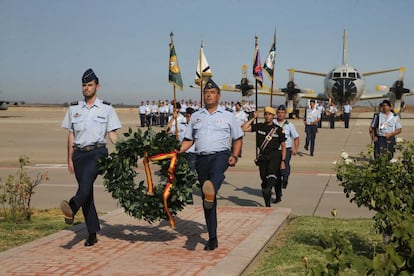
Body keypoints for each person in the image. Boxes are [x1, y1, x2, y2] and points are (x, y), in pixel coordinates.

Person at [180, 79, 243, 251]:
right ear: (203, 96)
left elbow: (238, 137)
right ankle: (212, 237)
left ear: (219, 95)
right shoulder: (195, 116)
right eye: (206, 93)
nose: (209, 95)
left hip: (221, 155)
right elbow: (188, 139)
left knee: (216, 175)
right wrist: (176, 151)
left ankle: (212, 186)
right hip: (201, 159)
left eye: (212, 92)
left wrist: (235, 156)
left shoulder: (228, 116)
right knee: (209, 201)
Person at [60, 69, 122, 247]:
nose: (86, 88)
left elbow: (112, 134)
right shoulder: (73, 109)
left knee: (85, 184)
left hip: (98, 153)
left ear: (97, 86)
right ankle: (92, 233)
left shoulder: (106, 108)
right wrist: (70, 159)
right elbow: (71, 136)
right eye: (84, 85)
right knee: (86, 193)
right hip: (79, 154)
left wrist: (124, 148)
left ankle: (72, 207)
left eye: (90, 85)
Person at [242, 107, 286, 207]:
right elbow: (244, 128)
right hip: (263, 156)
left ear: (273, 116)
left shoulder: (278, 130)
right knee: (264, 180)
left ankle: (269, 188)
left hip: (275, 155)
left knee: (272, 173)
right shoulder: (259, 126)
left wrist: (283, 160)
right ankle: (267, 205)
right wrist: (253, 118)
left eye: (269, 114)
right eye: (265, 114)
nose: (267, 116)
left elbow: (283, 146)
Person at [166, 106, 197, 204]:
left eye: (191, 116)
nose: (189, 118)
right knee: (180, 177)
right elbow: (166, 131)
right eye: (187, 116)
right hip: (181, 155)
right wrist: (172, 119)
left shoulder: (198, 127)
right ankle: (182, 199)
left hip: (193, 155)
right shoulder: (180, 125)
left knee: (189, 177)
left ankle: (189, 200)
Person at [273, 105, 299, 203]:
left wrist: (295, 149)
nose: (280, 114)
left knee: (284, 165)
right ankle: (278, 195)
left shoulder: (289, 125)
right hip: (275, 150)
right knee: (276, 173)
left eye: (282, 113)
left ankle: (286, 177)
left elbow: (296, 137)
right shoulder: (273, 123)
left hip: (286, 149)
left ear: (285, 114)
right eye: (279, 112)